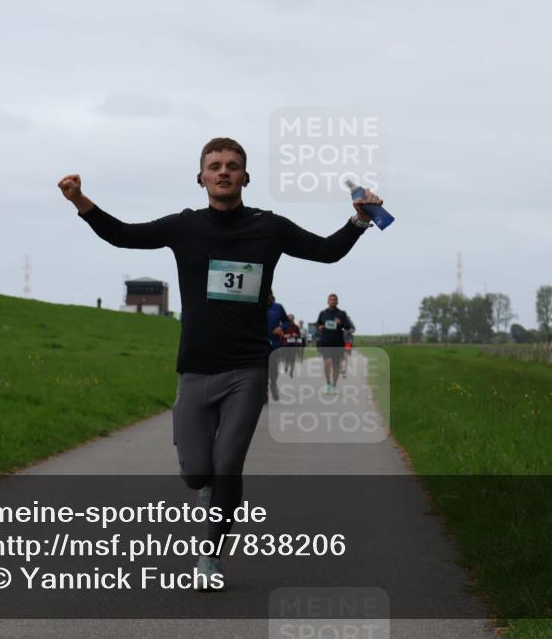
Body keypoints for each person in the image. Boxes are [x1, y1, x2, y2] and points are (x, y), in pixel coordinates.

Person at [58, 137, 384, 587]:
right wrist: (80, 200)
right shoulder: (184, 227)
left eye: (233, 166)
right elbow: (125, 236)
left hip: (248, 368)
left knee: (228, 466)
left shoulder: (269, 228)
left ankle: (209, 557)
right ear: (202, 177)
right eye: (215, 166)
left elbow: (326, 251)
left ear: (245, 177)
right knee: (197, 475)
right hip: (195, 368)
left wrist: (358, 220)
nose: (224, 171)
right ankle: (207, 488)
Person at [315, 294, 355, 394]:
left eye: (334, 300)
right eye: (330, 300)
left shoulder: (342, 313)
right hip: (325, 342)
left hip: (338, 343)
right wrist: (319, 327)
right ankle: (328, 383)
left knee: (336, 365)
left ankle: (334, 385)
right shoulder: (323, 313)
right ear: (328, 301)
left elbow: (348, 326)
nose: (332, 301)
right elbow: (317, 324)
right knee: (327, 363)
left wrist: (340, 323)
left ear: (337, 302)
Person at [266, 291, 289, 401]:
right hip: (259, 342)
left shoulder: (278, 307)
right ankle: (264, 392)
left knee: (273, 368)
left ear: (271, 295)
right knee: (261, 368)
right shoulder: (256, 306)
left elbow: (287, 321)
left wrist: (281, 328)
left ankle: (273, 384)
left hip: (274, 343)